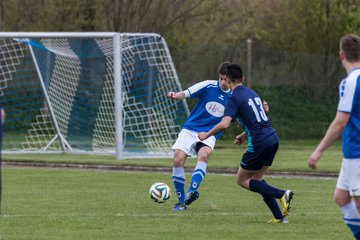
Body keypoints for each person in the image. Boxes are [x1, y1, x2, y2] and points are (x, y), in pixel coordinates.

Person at [198, 63, 293, 223]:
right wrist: (243, 134)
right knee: (257, 180)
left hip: (259, 142)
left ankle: (281, 194)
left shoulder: (233, 97)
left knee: (242, 180)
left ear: (227, 80)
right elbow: (258, 118)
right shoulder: (251, 92)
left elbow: (225, 123)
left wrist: (206, 134)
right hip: (272, 138)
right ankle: (279, 217)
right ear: (242, 78)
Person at [308, 34, 360, 239]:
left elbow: (340, 122)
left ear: (341, 55)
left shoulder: (350, 82)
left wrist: (318, 151)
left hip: (357, 151)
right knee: (341, 197)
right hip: (351, 154)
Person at [167, 62, 233, 211]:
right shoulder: (208, 86)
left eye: (226, 79)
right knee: (177, 160)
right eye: (221, 78)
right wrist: (175, 95)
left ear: (231, 79)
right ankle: (181, 202)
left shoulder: (235, 97)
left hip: (210, 133)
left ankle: (192, 191)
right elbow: (186, 93)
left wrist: (262, 108)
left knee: (203, 154)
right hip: (191, 129)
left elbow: (248, 112)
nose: (223, 82)